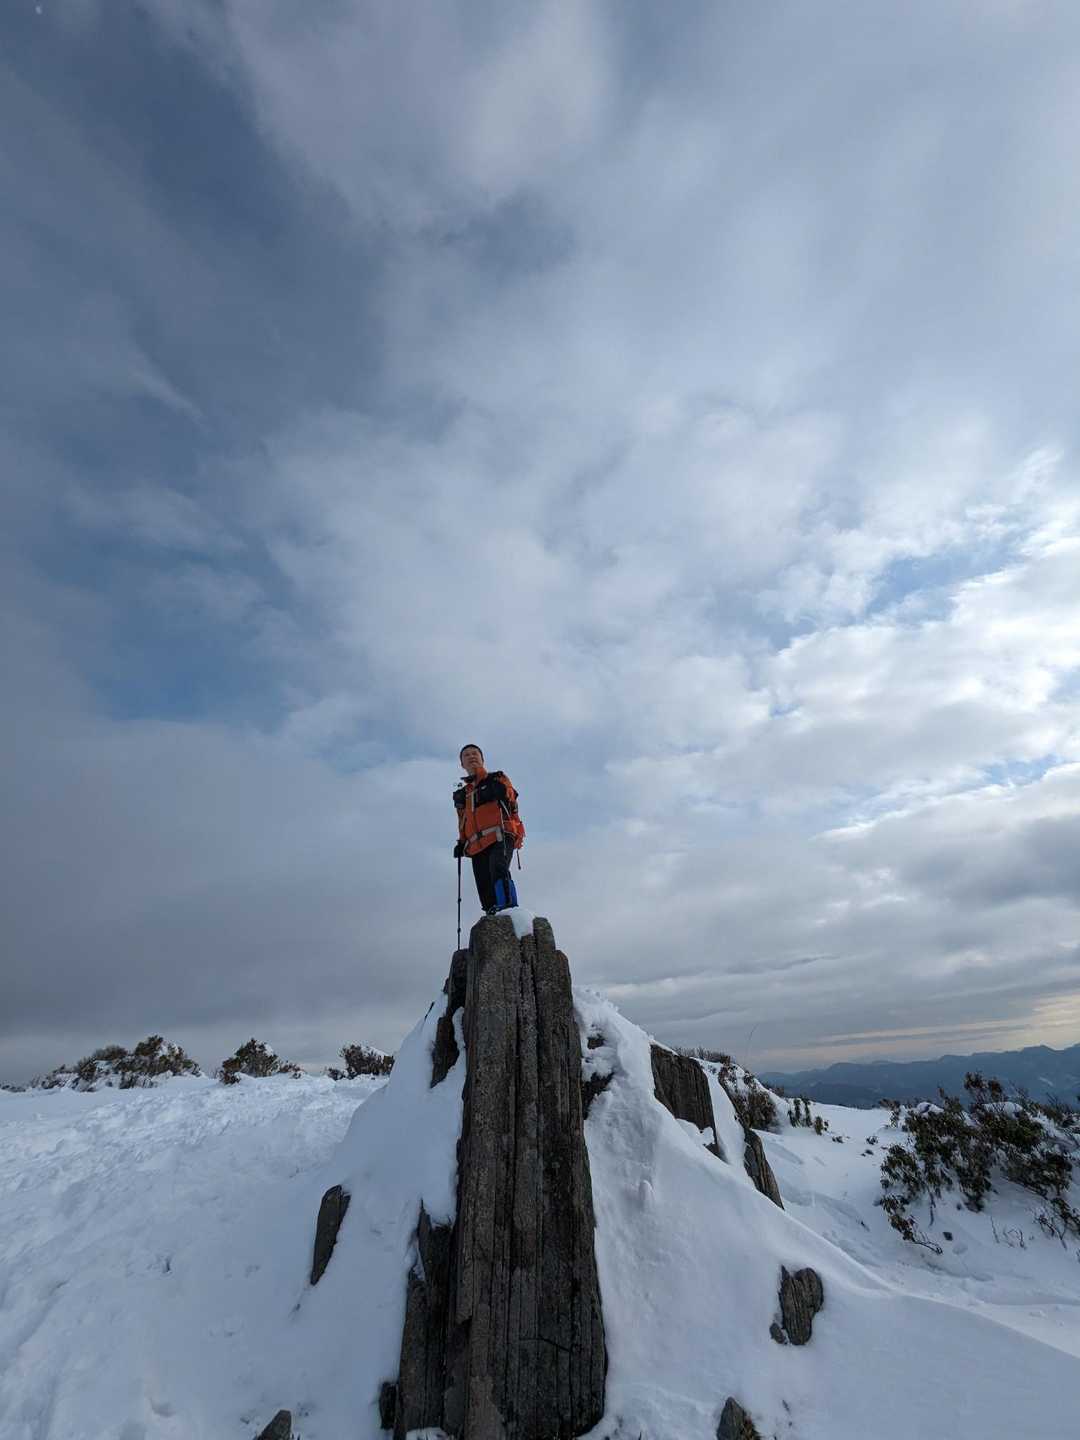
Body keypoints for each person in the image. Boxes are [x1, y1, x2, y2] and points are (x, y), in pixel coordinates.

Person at [453, 744, 525, 915]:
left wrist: (500, 790)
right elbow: (462, 820)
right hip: (475, 844)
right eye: (466, 755)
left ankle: (508, 910)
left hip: (500, 833)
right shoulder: (463, 794)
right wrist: (461, 842)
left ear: (482, 759)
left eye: (475, 753)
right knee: (483, 882)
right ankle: (491, 915)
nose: (471, 756)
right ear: (462, 764)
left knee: (498, 868)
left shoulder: (497, 779)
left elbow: (510, 796)